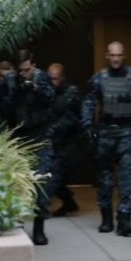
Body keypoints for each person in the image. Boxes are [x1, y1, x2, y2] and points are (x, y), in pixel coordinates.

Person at [80, 41, 131, 236]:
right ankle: (106, 219)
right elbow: (88, 102)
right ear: (107, 56)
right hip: (105, 132)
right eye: (113, 55)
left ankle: (124, 219)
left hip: (127, 131)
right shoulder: (99, 78)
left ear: (124, 55)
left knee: (126, 178)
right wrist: (87, 127)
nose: (116, 59)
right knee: (104, 179)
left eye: (119, 55)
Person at [5, 49, 56, 245]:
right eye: (21, 71)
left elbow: (50, 99)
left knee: (41, 184)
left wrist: (34, 87)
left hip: (40, 137)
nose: (24, 74)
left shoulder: (41, 77)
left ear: (32, 65)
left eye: (27, 70)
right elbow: (5, 108)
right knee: (16, 185)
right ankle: (17, 229)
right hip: (18, 139)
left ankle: (39, 229)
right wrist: (18, 89)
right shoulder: (10, 80)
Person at [44, 63, 82, 217]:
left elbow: (72, 118)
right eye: (50, 78)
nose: (53, 82)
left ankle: (42, 207)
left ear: (63, 78)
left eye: (56, 79)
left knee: (55, 176)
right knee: (50, 175)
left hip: (69, 142)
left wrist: (53, 129)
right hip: (52, 141)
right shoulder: (46, 92)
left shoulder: (72, 93)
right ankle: (69, 202)